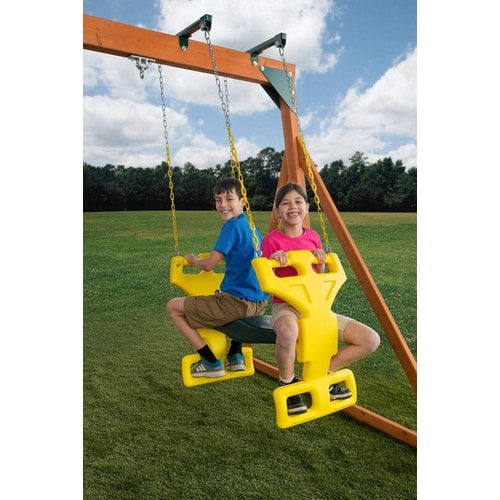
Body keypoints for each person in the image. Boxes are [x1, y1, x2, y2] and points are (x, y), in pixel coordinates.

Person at [260, 182, 380, 415]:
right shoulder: (271, 241)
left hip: (317, 308)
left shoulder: (313, 237)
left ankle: (323, 373)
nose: (292, 207)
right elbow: (265, 280)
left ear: (306, 208)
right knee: (287, 331)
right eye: (285, 203)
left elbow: (319, 275)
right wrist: (273, 260)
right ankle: (287, 383)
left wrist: (321, 261)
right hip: (287, 306)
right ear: (277, 211)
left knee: (370, 340)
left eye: (298, 202)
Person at [167, 177, 268, 378]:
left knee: (173, 307)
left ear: (242, 202)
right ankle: (235, 355)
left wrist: (194, 259)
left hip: (236, 304)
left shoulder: (232, 226)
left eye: (229, 199)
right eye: (218, 200)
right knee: (229, 301)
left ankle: (210, 362)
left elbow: (208, 265)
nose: (222, 205)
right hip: (260, 304)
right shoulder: (251, 226)